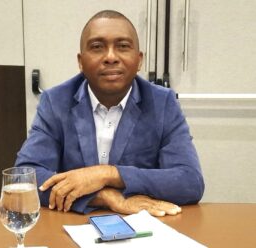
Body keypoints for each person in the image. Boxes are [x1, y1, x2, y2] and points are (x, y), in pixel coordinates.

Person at [15, 10, 204, 217]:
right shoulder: (56, 101)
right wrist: (105, 197)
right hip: (73, 224)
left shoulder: (162, 103)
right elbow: (25, 178)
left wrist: (106, 174)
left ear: (139, 60)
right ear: (81, 61)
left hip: (142, 228)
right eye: (97, 47)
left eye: (123, 46)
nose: (111, 57)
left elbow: (189, 181)